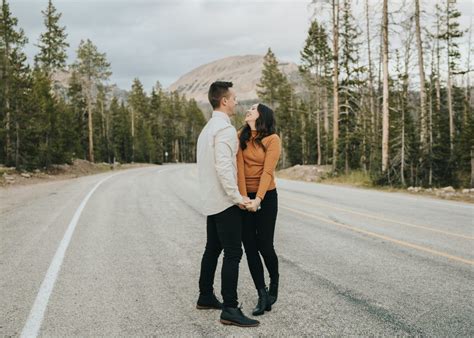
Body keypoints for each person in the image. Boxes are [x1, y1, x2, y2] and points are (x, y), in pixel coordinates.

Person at [196, 81, 259, 327]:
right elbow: (224, 168)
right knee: (233, 252)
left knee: (213, 248)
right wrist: (238, 198)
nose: (236, 102)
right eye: (233, 98)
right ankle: (230, 309)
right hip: (225, 202)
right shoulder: (223, 130)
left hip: (212, 200)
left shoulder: (207, 129)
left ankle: (205, 295)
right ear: (224, 101)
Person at [237, 103, 281, 316]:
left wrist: (259, 199)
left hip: (267, 196)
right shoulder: (240, 136)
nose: (248, 110)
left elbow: (267, 172)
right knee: (250, 247)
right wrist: (245, 197)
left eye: (253, 108)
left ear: (262, 115)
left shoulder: (272, 140)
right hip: (246, 197)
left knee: (265, 245)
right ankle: (262, 294)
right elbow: (239, 169)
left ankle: (274, 280)